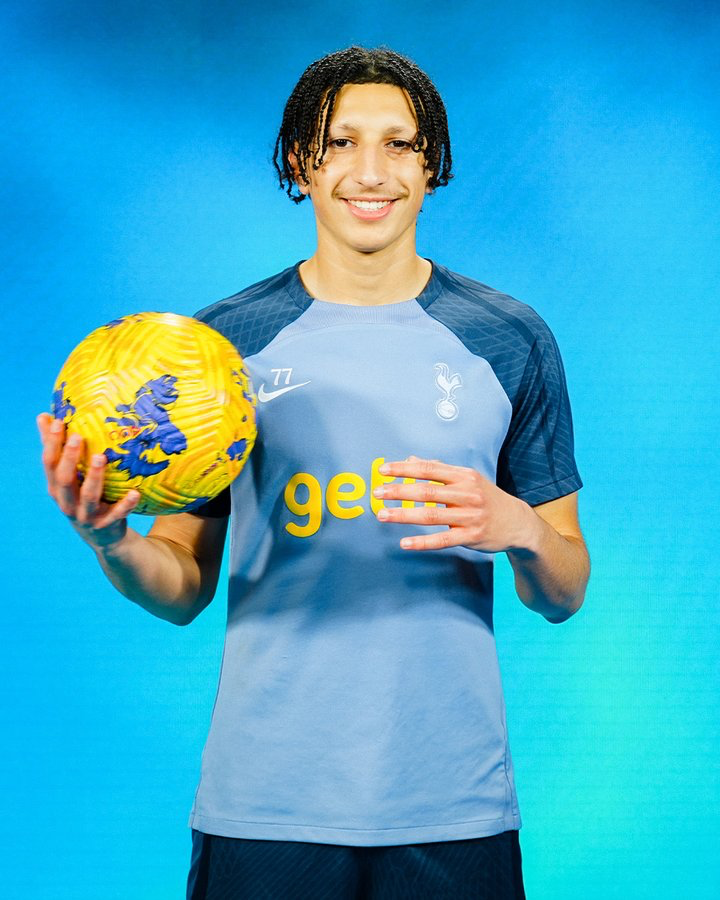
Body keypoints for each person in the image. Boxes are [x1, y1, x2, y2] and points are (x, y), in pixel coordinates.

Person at [37, 46, 590, 900]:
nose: (371, 172)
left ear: (432, 163)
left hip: (454, 809)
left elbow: (564, 589)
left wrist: (517, 528)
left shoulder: (509, 338)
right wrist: (111, 541)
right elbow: (182, 584)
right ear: (302, 159)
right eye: (340, 142)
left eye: (400, 144)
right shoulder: (215, 352)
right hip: (264, 810)